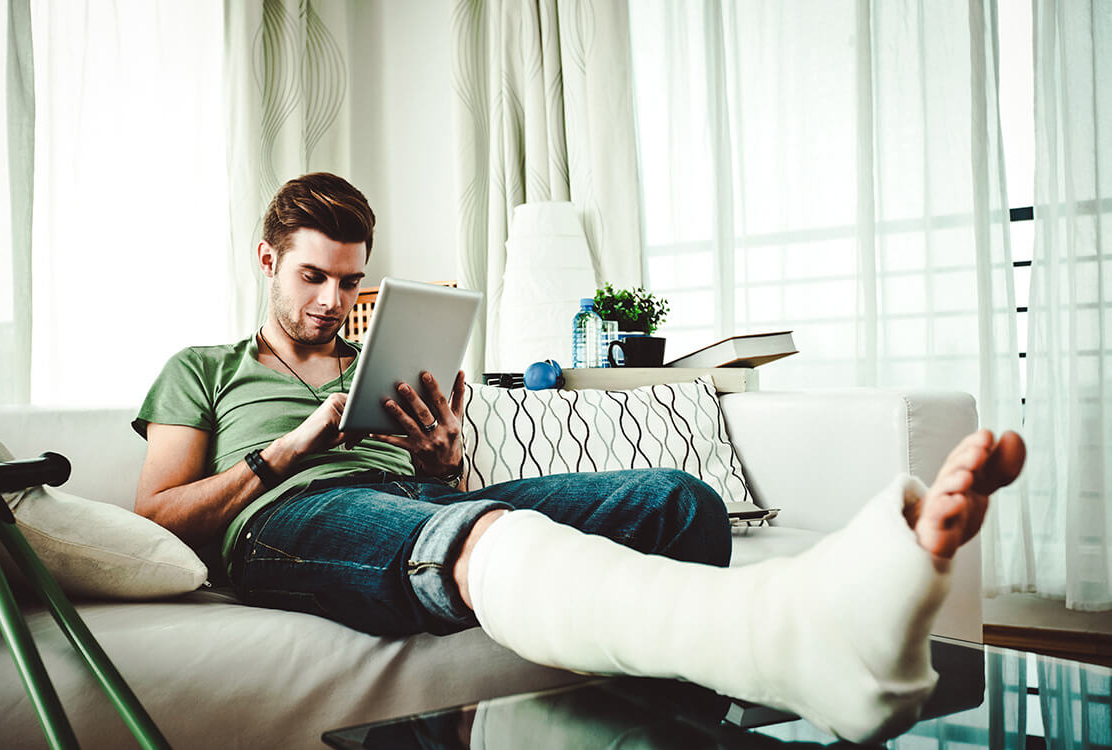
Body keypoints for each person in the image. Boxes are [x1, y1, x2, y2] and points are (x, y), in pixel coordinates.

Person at [133, 172, 1026, 744]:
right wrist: (288, 451)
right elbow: (158, 522)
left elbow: (436, 496)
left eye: (349, 279)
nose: (333, 300)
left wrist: (442, 457)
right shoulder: (204, 370)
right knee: (467, 535)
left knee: (680, 502)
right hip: (285, 523)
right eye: (312, 277)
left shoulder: (376, 366)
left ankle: (681, 710)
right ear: (267, 261)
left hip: (413, 510)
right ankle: (790, 634)